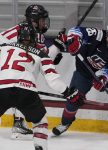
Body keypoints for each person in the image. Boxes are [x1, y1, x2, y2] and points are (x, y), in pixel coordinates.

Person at [0, 23, 85, 150]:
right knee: (40, 123)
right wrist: (69, 93)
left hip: (1, 89)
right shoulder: (41, 54)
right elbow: (53, 81)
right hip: (26, 92)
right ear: (35, 38)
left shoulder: (3, 47)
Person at [52, 20, 108, 137]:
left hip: (103, 74)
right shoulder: (98, 34)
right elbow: (76, 30)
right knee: (73, 100)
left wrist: (103, 77)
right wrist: (74, 39)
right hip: (84, 73)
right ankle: (65, 123)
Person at [0, 4, 63, 138]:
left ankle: (19, 122)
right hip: (6, 71)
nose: (44, 22)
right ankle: (18, 123)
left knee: (26, 84)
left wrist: (57, 46)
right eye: (42, 19)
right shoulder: (19, 30)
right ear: (34, 20)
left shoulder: (37, 34)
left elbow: (42, 56)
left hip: (14, 75)